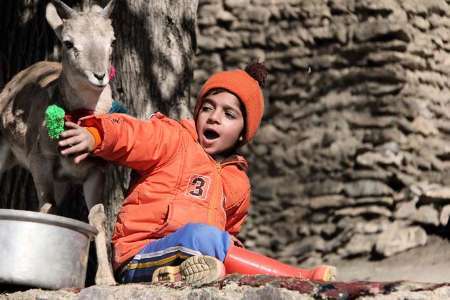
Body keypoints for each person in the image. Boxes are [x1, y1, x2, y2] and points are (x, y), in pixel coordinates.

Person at [58, 63, 337, 286]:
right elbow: (133, 135)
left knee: (214, 250)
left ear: (243, 133)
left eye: (229, 114)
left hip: (191, 256)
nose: (214, 117)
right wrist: (95, 135)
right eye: (207, 107)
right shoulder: (175, 140)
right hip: (140, 254)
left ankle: (176, 277)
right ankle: (297, 278)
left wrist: (229, 248)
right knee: (203, 237)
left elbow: (230, 234)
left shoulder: (238, 182)